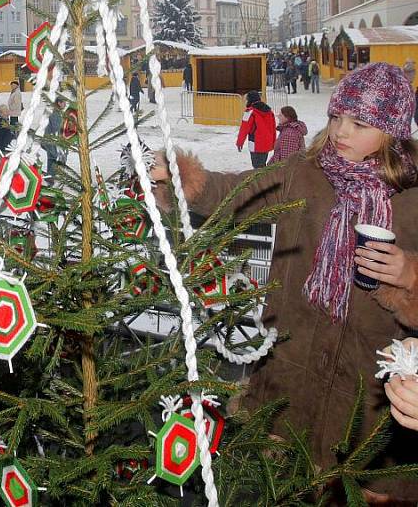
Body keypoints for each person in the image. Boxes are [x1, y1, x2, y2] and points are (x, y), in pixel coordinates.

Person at [151, 62, 418, 502]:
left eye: (358, 123)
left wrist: (408, 275)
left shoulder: (411, 200)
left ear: (391, 131)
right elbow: (238, 191)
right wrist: (182, 179)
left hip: (369, 401)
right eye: (336, 117)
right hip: (289, 382)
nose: (340, 132)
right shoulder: (305, 172)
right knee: (280, 486)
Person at [236, 90, 276, 169]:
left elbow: (244, 129)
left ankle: (262, 181)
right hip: (267, 142)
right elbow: (273, 128)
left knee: (257, 167)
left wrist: (239, 142)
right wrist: (273, 142)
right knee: (262, 165)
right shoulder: (269, 111)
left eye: (246, 99)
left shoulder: (249, 112)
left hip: (255, 143)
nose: (245, 101)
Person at [42, 96, 67, 180]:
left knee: (51, 158)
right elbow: (57, 127)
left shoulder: (56, 111)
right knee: (55, 158)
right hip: (52, 140)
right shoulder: (55, 113)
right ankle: (52, 177)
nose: (65, 104)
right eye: (64, 103)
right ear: (59, 103)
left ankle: (50, 177)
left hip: (50, 139)